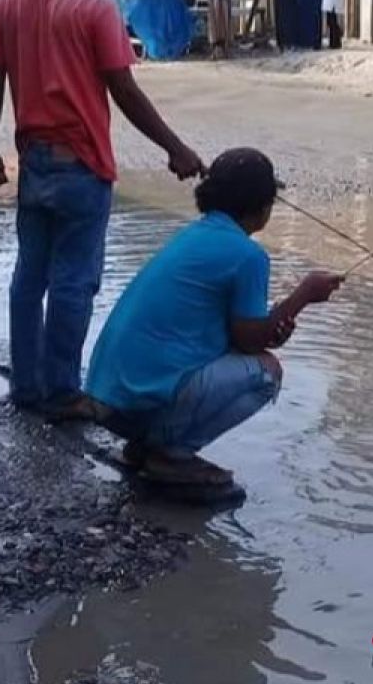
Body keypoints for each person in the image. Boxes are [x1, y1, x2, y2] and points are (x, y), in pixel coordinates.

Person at [0, 0, 205, 416]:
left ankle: (26, 388)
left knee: (29, 278)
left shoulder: (3, 1)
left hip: (32, 160)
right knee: (74, 282)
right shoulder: (95, 6)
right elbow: (124, 91)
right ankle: (62, 392)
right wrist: (176, 149)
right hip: (82, 165)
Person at [82, 148, 344, 498]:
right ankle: (170, 453)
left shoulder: (195, 235)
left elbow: (239, 333)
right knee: (267, 372)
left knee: (251, 360)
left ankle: (146, 445)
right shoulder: (248, 255)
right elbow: (251, 343)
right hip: (136, 401)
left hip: (110, 397)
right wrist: (303, 296)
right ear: (263, 206)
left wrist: (277, 320)